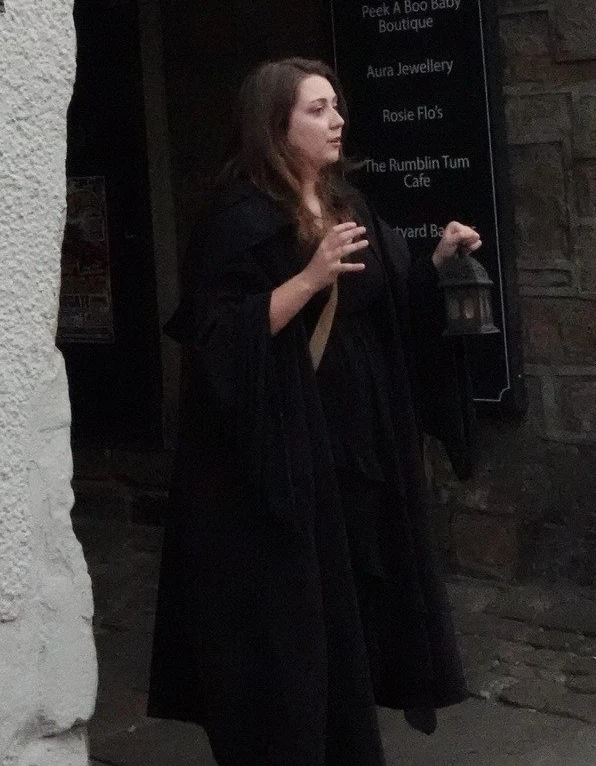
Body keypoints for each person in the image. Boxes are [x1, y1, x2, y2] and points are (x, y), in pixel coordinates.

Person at [147, 57, 482, 766]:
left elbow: (382, 309)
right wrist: (307, 276)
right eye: (317, 109)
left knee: (351, 601)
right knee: (291, 615)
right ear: (274, 125)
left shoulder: (347, 205)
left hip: (355, 447)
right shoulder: (238, 216)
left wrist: (435, 262)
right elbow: (216, 341)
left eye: (336, 107)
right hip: (283, 455)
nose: (336, 120)